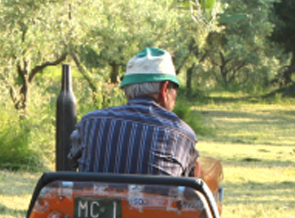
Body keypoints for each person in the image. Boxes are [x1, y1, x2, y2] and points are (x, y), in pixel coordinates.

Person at [68, 47, 198, 178]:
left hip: (94, 198)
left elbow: (71, 162)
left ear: (127, 89)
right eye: (174, 88)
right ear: (164, 89)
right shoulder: (182, 134)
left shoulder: (89, 123)